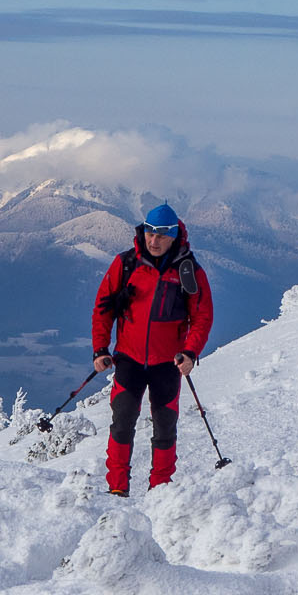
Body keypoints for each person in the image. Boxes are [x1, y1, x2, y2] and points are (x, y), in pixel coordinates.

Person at [90, 203, 213, 495]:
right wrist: (100, 349)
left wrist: (191, 352)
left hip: (167, 363)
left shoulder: (188, 271)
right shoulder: (126, 264)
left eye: (161, 235)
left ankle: (160, 491)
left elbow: (202, 317)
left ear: (174, 236)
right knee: (122, 424)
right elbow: (103, 308)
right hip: (129, 359)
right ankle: (117, 489)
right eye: (149, 233)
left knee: (165, 429)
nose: (154, 241)